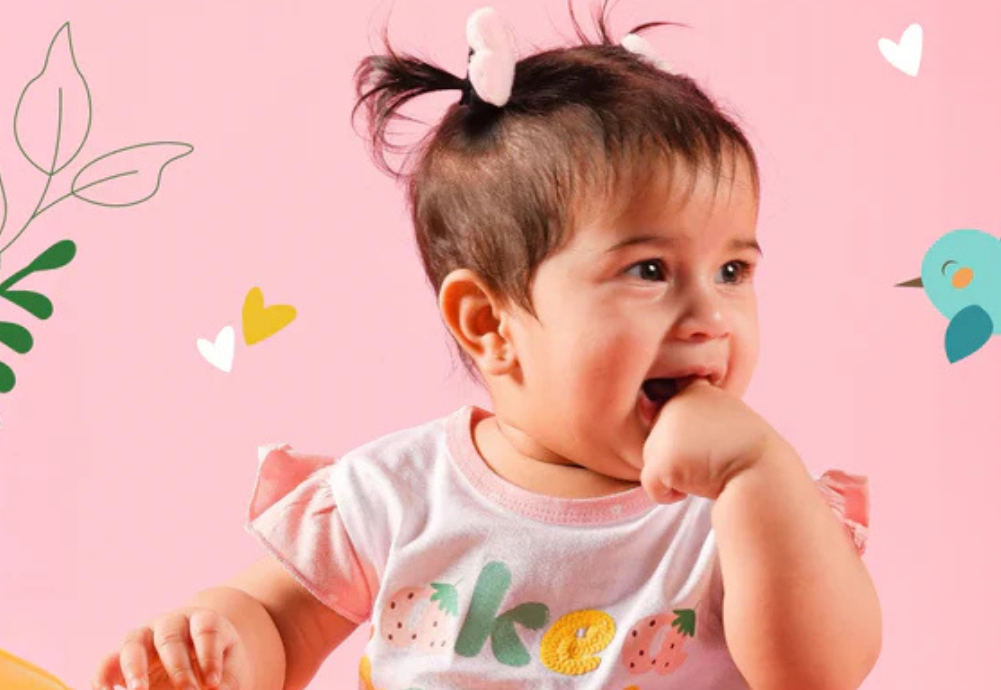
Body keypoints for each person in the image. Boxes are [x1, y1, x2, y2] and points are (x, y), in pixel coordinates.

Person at [93, 2, 881, 689]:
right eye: (649, 270)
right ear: (489, 323)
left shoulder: (747, 514)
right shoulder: (401, 494)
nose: (709, 314)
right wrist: (220, 646)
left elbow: (818, 673)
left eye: (733, 271)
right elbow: (277, 621)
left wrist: (756, 472)